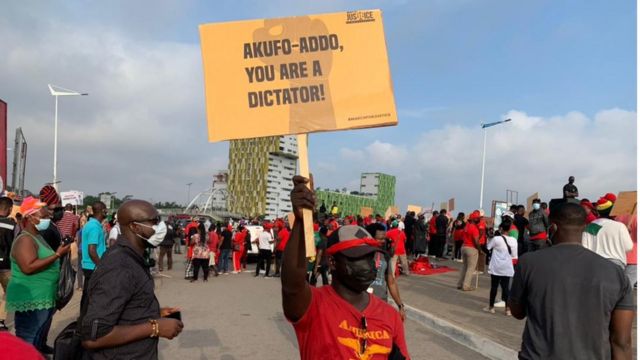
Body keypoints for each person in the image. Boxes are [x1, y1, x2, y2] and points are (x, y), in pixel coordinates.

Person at [282, 176, 410, 359]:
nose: (368, 266)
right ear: (333, 262)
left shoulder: (390, 315)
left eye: (371, 257)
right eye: (357, 257)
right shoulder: (312, 305)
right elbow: (291, 283)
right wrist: (302, 221)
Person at [509, 202, 634, 359]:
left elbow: (517, 312)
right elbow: (622, 343)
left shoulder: (528, 263)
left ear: (553, 228)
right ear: (584, 228)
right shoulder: (616, 274)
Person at [80, 200, 183, 358]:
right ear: (135, 227)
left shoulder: (132, 258)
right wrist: (154, 327)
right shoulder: (120, 267)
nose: (160, 227)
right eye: (154, 221)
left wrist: (155, 313)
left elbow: (125, 306)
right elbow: (93, 337)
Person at [6, 197, 71, 353]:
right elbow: (28, 267)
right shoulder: (25, 240)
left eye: (47, 217)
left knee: (36, 338)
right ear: (30, 217)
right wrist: (56, 255)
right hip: (32, 299)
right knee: (28, 339)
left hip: (42, 297)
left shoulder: (37, 236)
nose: (47, 219)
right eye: (43, 217)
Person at [582, 193, 633, 269]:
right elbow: (628, 247)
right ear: (612, 211)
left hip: (596, 264)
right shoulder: (620, 226)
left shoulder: (590, 226)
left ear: (598, 211)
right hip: (617, 265)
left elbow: (584, 248)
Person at [368, 223, 406, 322]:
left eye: (384, 238)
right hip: (362, 304)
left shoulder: (385, 256)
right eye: (379, 239)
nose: (383, 241)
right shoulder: (361, 254)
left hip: (381, 303)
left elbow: (391, 282)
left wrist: (400, 305)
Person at [483, 218, 518, 315]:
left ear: (501, 228)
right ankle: (507, 309)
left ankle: (491, 307)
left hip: (496, 266)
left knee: (494, 287)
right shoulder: (514, 240)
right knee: (506, 288)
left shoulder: (496, 239)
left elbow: (487, 248)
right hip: (507, 266)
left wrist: (488, 239)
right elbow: (514, 255)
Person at [80, 201, 107, 311]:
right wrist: (101, 266)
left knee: (87, 294)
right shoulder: (94, 227)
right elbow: (92, 250)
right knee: (91, 296)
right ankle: (85, 320)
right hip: (93, 267)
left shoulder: (91, 224)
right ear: (102, 211)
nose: (107, 212)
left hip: (90, 265)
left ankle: (83, 318)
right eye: (105, 210)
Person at [0, 196, 16, 331]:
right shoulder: (12, 224)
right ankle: (0, 320)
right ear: (10, 208)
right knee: (7, 294)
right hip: (6, 266)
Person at [457, 211, 481, 291]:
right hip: (471, 249)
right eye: (478, 218)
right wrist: (479, 250)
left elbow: (462, 236)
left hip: (464, 247)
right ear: (475, 219)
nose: (479, 219)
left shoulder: (466, 227)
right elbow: (476, 241)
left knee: (464, 266)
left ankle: (459, 284)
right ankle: (466, 286)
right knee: (471, 268)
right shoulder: (474, 228)